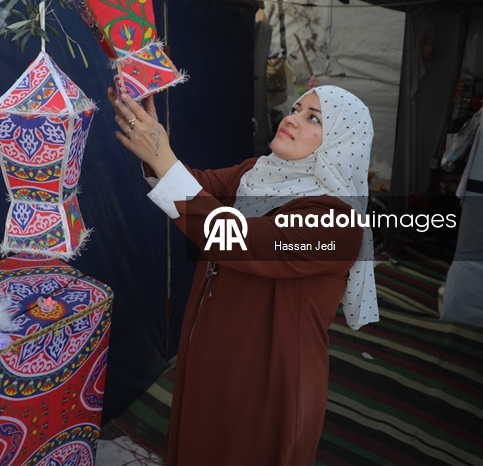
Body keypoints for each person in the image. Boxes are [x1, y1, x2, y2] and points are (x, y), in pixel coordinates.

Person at [109, 84, 378, 465]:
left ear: (342, 144)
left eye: (313, 118)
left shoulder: (338, 226)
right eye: (296, 108)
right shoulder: (256, 172)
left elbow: (236, 240)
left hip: (267, 377)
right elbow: (195, 186)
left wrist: (163, 156)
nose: (292, 118)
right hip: (213, 354)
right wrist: (151, 143)